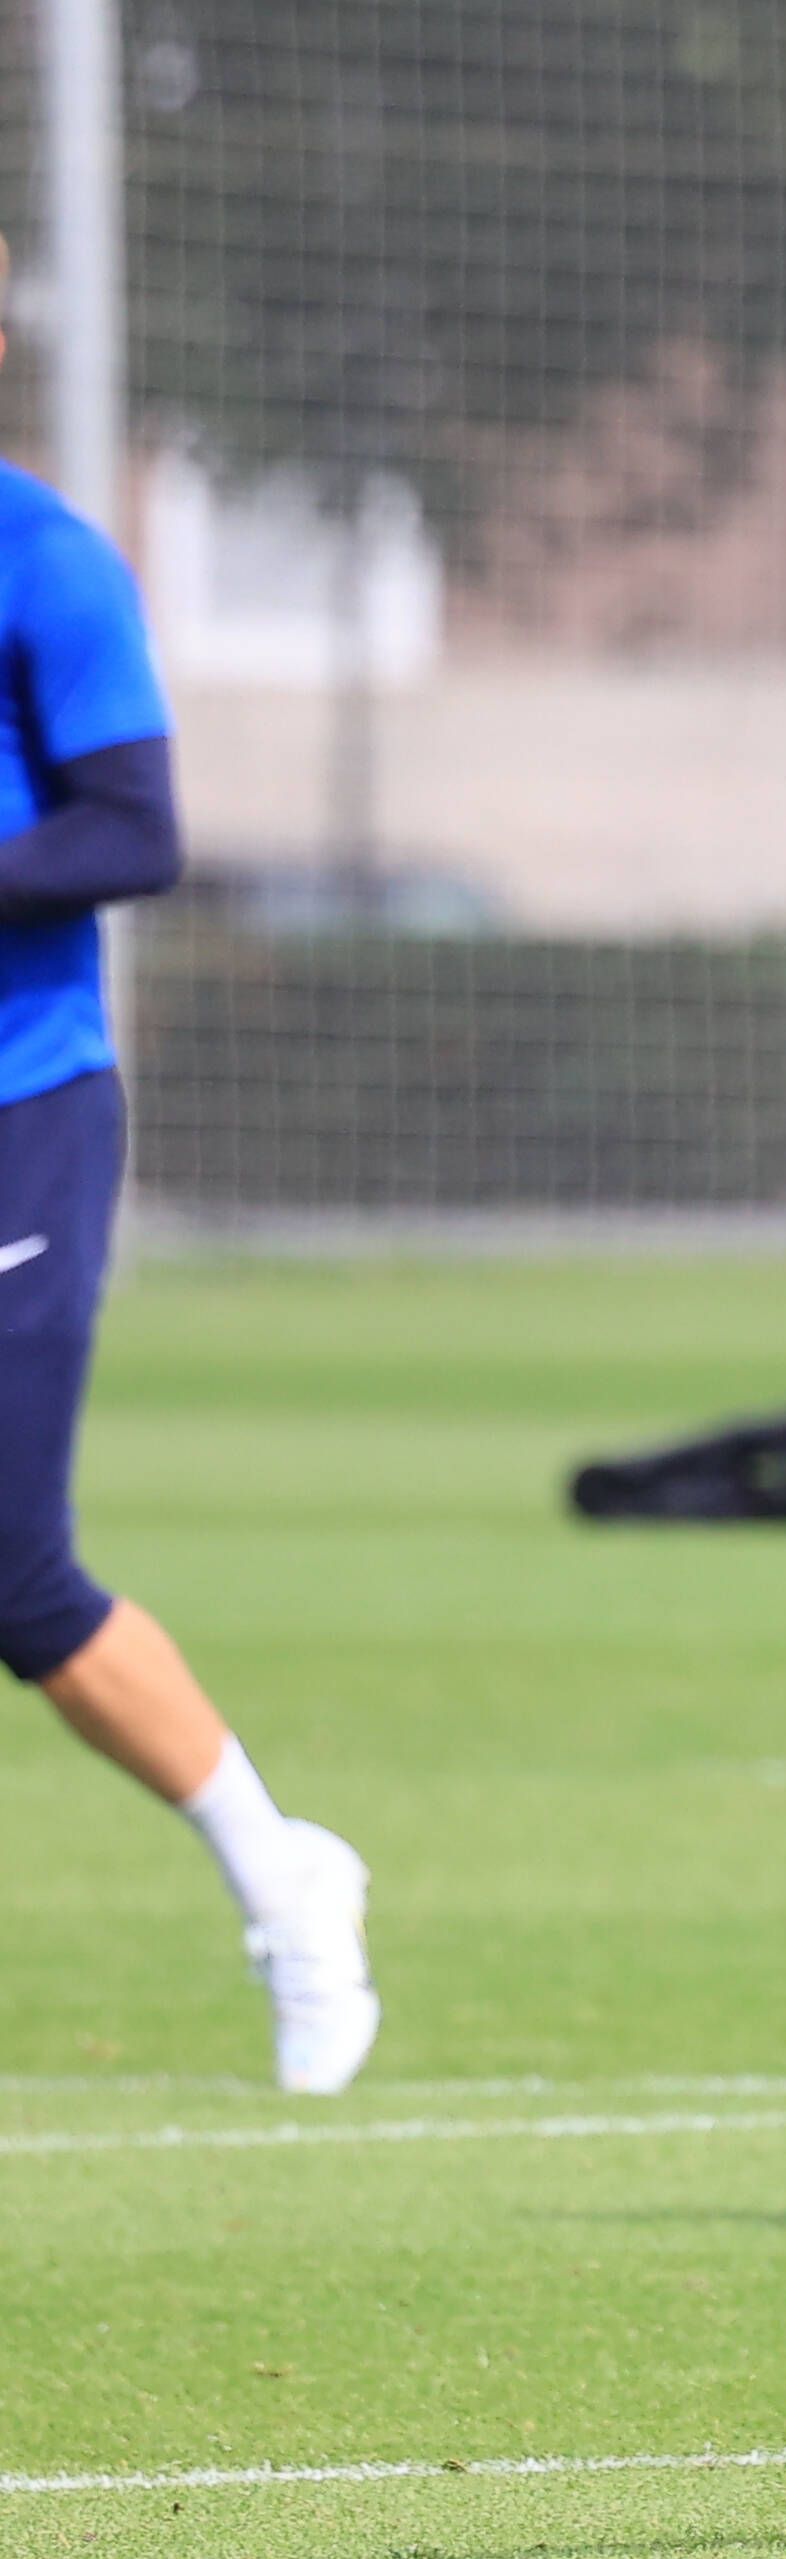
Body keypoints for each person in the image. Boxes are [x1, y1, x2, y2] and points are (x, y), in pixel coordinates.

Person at [0, 247, 379, 2097]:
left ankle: (284, 1879)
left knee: (9, 1572)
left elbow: (133, 831)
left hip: (19, 1107)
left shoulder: (43, 558)